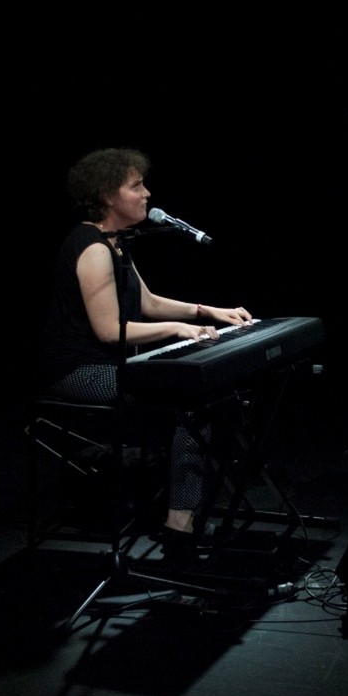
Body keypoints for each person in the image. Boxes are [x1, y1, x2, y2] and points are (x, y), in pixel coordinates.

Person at [38, 146, 253, 560]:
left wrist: (207, 309)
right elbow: (108, 330)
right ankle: (179, 525)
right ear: (107, 196)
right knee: (192, 405)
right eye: (136, 185)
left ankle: (183, 512)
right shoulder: (93, 248)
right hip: (79, 371)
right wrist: (178, 328)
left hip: (113, 365)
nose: (147, 194)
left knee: (210, 399)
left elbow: (147, 302)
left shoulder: (115, 243)